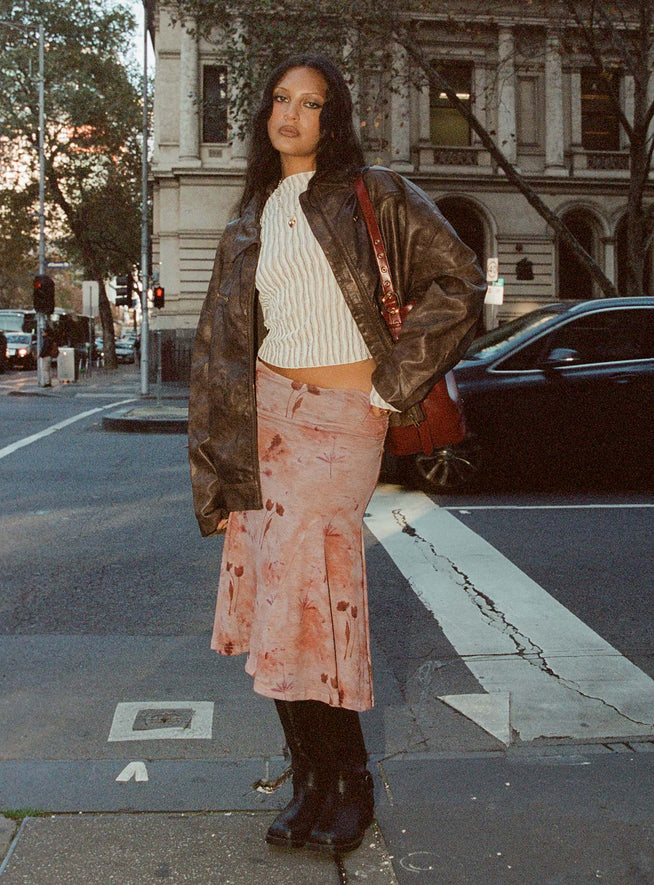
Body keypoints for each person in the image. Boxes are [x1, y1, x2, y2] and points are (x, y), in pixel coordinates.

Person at [188, 53, 486, 854]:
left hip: (342, 422)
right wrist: (215, 466)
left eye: (310, 103)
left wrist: (392, 384)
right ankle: (311, 778)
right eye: (281, 99)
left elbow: (459, 280)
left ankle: (351, 780)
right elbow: (218, 348)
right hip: (265, 417)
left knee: (317, 598)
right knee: (277, 604)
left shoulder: (373, 192)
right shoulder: (250, 215)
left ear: (333, 118)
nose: (290, 114)